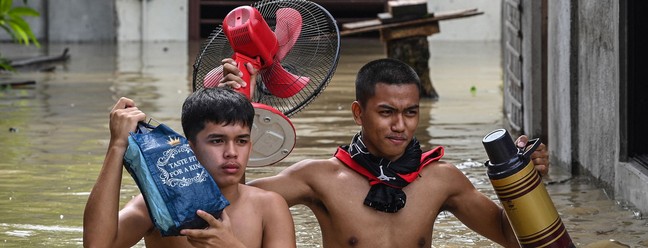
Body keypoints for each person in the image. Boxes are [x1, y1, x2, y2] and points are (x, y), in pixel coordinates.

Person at [220, 58, 549, 247]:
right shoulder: (318, 177)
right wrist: (233, 114)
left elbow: (511, 237)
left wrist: (527, 183)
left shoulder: (441, 179)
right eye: (387, 112)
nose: (400, 126)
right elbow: (235, 205)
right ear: (358, 113)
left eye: (410, 113)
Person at [83, 87, 296, 248]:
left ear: (250, 146)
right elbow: (97, 245)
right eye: (217, 141)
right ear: (189, 148)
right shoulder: (158, 204)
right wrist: (117, 145)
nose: (231, 152)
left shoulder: (269, 206)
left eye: (241, 141)